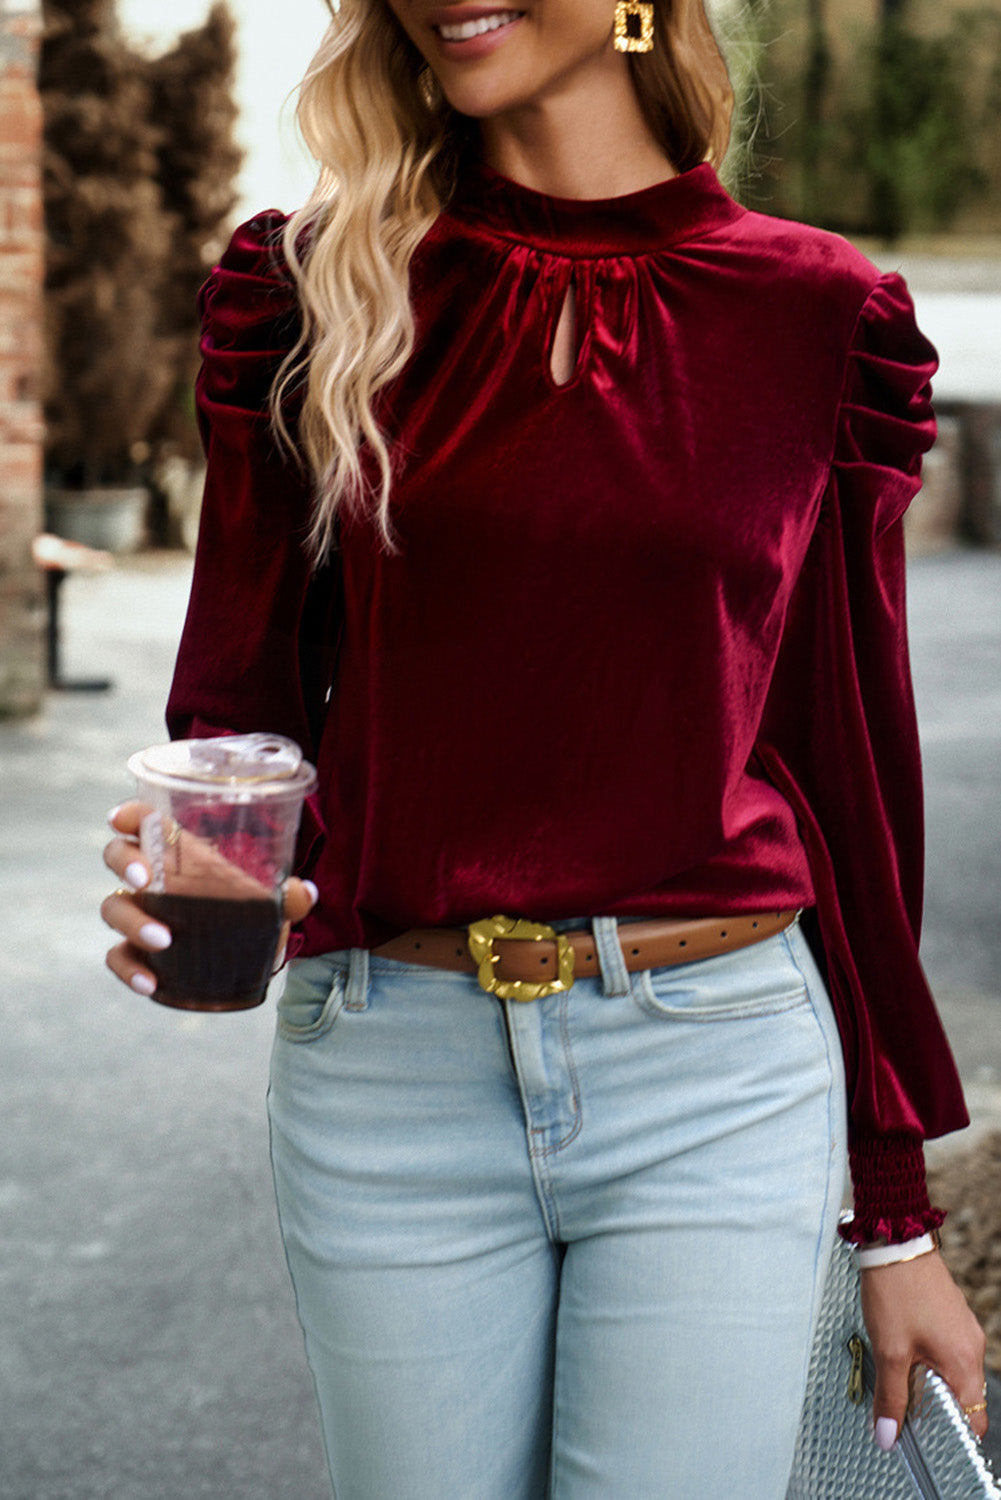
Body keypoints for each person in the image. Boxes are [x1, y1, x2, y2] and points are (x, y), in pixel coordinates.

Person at [101, 1, 989, 1494]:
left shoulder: (817, 315)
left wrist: (891, 1209)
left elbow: (852, 771)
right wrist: (203, 884)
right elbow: (238, 715)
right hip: (392, 1063)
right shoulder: (312, 286)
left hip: (717, 1072)